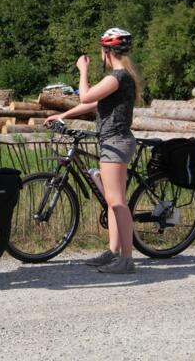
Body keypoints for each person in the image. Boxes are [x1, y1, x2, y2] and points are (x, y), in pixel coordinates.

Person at [45, 28, 141, 274]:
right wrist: (64, 115)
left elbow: (85, 96)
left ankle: (127, 260)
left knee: (117, 202)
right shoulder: (122, 77)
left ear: (106, 51)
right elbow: (96, 103)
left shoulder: (116, 77)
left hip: (115, 142)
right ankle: (113, 252)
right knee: (112, 200)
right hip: (114, 141)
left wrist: (83, 70)